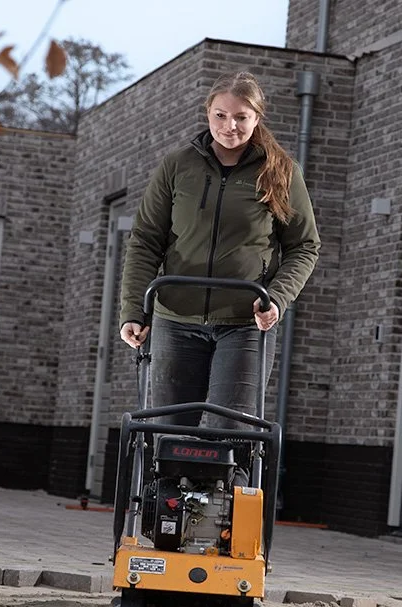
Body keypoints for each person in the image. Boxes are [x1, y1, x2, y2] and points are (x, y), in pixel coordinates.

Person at [118, 71, 321, 443]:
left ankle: (223, 499)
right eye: (220, 116)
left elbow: (304, 246)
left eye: (241, 117)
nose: (230, 126)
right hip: (175, 320)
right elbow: (145, 240)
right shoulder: (178, 167)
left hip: (244, 324)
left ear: (257, 118)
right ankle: (165, 501)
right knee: (169, 435)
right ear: (207, 113)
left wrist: (276, 297)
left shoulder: (280, 173)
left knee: (230, 436)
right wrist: (134, 310)